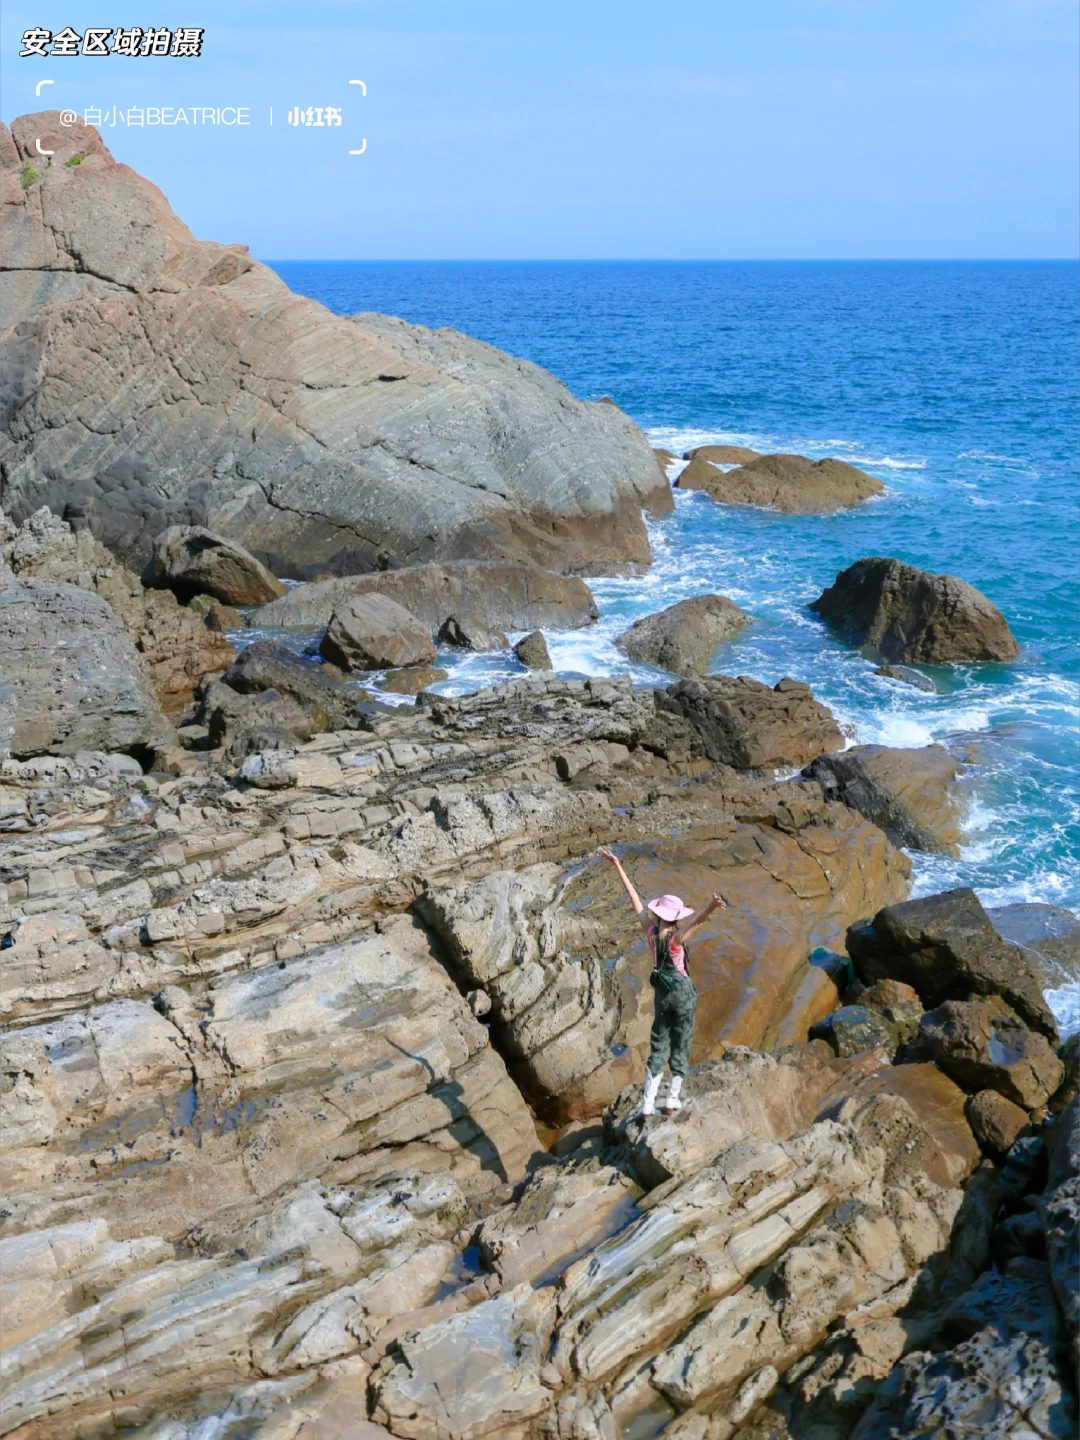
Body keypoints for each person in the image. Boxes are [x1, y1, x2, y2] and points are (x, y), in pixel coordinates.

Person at [600, 847, 726, 1117]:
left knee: (659, 1042)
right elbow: (700, 921)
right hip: (682, 993)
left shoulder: (650, 931)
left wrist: (617, 865)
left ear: (658, 914)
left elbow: (633, 896)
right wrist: (713, 905)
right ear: (677, 918)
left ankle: (647, 1104)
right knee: (681, 1042)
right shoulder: (677, 939)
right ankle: (671, 1100)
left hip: (661, 993)